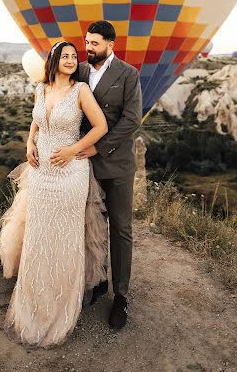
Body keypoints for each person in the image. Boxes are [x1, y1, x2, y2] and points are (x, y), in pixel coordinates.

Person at [0, 41, 109, 348]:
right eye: (66, 56)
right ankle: (31, 302)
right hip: (40, 172)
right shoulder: (41, 89)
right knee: (37, 234)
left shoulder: (81, 91)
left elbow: (100, 126)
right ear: (54, 61)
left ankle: (60, 307)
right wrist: (29, 143)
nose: (72, 59)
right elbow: (36, 122)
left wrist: (74, 150)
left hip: (69, 174)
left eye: (75, 56)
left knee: (64, 237)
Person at [78, 20, 142, 330]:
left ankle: (121, 297)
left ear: (110, 45)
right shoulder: (78, 70)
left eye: (94, 44)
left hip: (115, 164)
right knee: (89, 226)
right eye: (86, 42)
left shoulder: (128, 74)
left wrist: (99, 148)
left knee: (120, 228)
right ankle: (96, 280)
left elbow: (131, 120)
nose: (88, 48)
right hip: (84, 164)